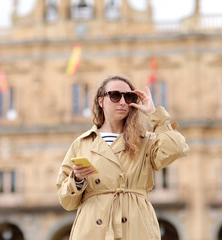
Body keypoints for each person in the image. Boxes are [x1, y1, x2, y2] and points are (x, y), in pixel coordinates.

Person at [56, 75, 189, 240]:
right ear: (101, 101)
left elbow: (178, 148)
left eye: (129, 97)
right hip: (93, 228)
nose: (122, 102)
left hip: (135, 226)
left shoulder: (145, 140)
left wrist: (155, 115)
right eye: (115, 95)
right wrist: (76, 179)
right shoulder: (82, 143)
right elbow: (66, 200)